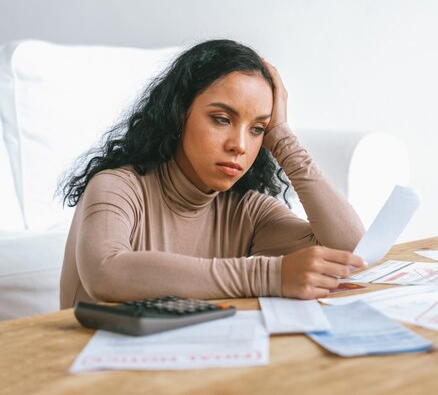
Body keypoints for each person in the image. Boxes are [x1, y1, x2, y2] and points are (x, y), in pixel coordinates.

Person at [59, 40, 366, 309]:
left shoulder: (247, 210)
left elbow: (351, 251)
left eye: (258, 129)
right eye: (221, 119)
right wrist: (270, 275)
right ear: (180, 113)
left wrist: (283, 137)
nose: (240, 145)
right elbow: (106, 273)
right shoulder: (116, 186)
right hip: (84, 365)